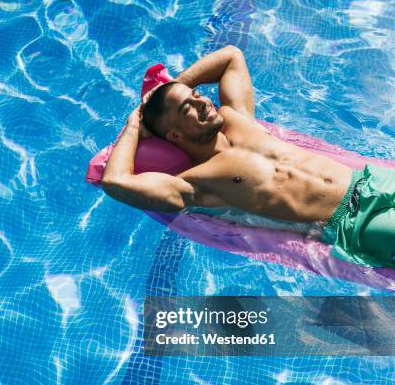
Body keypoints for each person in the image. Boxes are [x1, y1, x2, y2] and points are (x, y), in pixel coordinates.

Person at [102, 45, 395, 268]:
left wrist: (172, 88)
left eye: (195, 95)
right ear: (174, 135)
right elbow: (115, 181)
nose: (202, 101)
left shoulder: (238, 117)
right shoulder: (196, 184)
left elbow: (231, 55)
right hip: (353, 223)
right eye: (187, 108)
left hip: (370, 181)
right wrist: (135, 123)